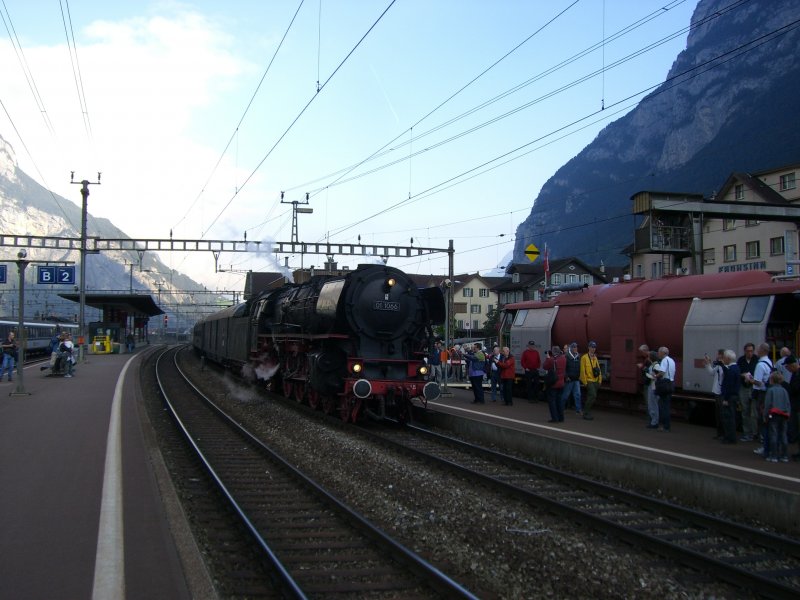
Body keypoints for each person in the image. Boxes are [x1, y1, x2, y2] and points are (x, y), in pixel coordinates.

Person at [749, 342, 773, 457]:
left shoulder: (760, 365)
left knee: (761, 418)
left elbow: (758, 382)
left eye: (758, 349)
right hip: (767, 393)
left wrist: (749, 378)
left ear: (762, 351)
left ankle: (764, 444)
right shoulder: (769, 362)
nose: (756, 351)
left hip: (761, 394)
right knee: (767, 419)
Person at [763, 371, 791, 462]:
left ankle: (774, 455)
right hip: (784, 414)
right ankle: (784, 455)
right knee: (783, 435)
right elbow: (788, 404)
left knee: (773, 434)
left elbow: (767, 404)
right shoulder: (784, 390)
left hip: (774, 414)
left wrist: (765, 415)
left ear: (772, 380)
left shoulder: (770, 390)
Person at [737, 343, 758, 442]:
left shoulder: (756, 360)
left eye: (751, 351)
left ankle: (755, 433)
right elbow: (737, 372)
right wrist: (743, 375)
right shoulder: (741, 360)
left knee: (754, 412)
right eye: (748, 351)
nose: (750, 353)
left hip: (753, 387)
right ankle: (747, 433)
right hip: (744, 387)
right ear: (745, 351)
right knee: (745, 410)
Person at [719, 349, 740, 444]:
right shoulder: (736, 368)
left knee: (728, 418)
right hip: (734, 395)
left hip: (729, 396)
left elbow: (728, 385)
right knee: (731, 417)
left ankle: (729, 437)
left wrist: (726, 398)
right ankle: (731, 437)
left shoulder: (731, 370)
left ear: (728, 358)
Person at [704, 349, 726, 439]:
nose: (716, 356)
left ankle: (723, 433)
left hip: (721, 392)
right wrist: (708, 363)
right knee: (718, 414)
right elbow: (711, 372)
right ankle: (719, 433)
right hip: (717, 391)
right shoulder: (719, 366)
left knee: (722, 413)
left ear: (721, 355)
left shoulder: (725, 366)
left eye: (718, 355)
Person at [654, 346, 676, 432]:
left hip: (665, 383)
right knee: (666, 405)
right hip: (671, 383)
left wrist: (655, 376)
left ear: (663, 353)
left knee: (663, 406)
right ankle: (666, 425)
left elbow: (662, 372)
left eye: (659, 352)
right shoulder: (672, 360)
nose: (658, 354)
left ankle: (665, 426)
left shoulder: (664, 360)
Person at [579, 341, 602, 420]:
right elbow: (582, 371)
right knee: (593, 395)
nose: (593, 349)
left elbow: (598, 370)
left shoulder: (595, 357)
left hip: (595, 381)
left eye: (594, 347)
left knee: (591, 397)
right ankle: (585, 413)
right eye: (592, 347)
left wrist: (599, 380)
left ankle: (587, 412)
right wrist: (585, 382)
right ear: (588, 347)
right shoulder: (584, 357)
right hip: (589, 380)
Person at [543, 345, 566, 422]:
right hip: (561, 383)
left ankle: (554, 418)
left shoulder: (551, 360)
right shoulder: (563, 358)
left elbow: (545, 366)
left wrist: (547, 357)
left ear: (553, 352)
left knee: (552, 401)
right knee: (559, 401)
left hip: (553, 383)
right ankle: (561, 417)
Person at [561, 342, 582, 415]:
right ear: (572, 348)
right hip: (569, 379)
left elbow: (579, 367)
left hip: (576, 379)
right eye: (575, 347)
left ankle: (578, 410)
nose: (576, 348)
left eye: (576, 347)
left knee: (578, 395)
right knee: (565, 395)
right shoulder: (566, 356)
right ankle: (561, 408)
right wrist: (566, 376)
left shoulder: (578, 356)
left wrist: (580, 376)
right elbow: (564, 368)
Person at [644, 350, 660, 429]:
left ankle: (654, 422)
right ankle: (653, 421)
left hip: (653, 386)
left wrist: (647, 375)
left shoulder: (656, 366)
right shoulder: (653, 365)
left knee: (653, 404)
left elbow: (656, 376)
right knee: (652, 404)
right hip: (652, 386)